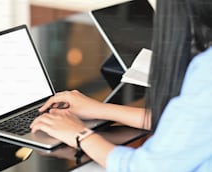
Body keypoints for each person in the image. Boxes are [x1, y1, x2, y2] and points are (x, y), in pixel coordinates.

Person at [30, 0, 212, 171]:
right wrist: (100, 110)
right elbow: (194, 123)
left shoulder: (206, 68)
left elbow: (146, 168)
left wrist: (80, 135)